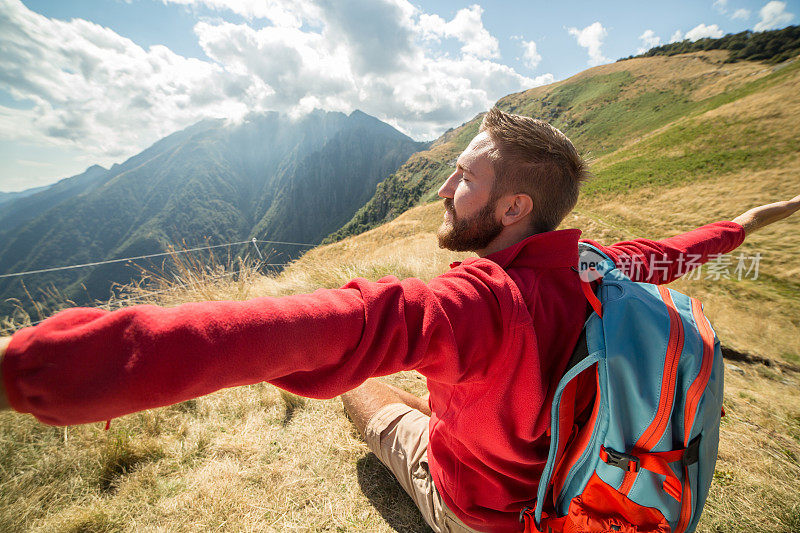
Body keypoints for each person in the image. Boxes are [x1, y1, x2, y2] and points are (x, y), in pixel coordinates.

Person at [0, 108, 798, 533]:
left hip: (479, 512)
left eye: (462, 176)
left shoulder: (480, 302)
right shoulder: (605, 268)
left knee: (367, 396)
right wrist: (752, 218)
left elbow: (321, 327)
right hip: (566, 492)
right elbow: (682, 249)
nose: (445, 187)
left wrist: (27, 368)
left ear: (514, 206)